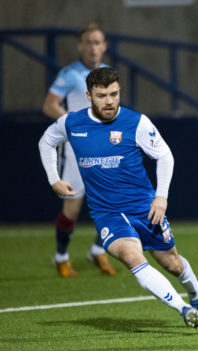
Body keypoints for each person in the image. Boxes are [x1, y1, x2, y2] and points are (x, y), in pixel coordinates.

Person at [38, 67, 198, 329]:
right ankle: (184, 309)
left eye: (114, 94)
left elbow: (165, 156)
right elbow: (47, 141)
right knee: (132, 257)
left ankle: (196, 298)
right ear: (88, 96)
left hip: (145, 208)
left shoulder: (136, 123)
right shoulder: (72, 123)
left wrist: (161, 197)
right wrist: (53, 179)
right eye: (102, 95)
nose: (109, 101)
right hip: (107, 214)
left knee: (172, 264)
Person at [42, 23, 115, 277]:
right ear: (80, 46)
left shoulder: (108, 72)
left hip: (105, 149)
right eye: (89, 42)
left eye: (98, 42)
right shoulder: (70, 74)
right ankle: (61, 256)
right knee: (72, 208)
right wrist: (74, 125)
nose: (93, 47)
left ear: (104, 46)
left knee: (116, 201)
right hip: (76, 152)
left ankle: (98, 251)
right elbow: (50, 105)